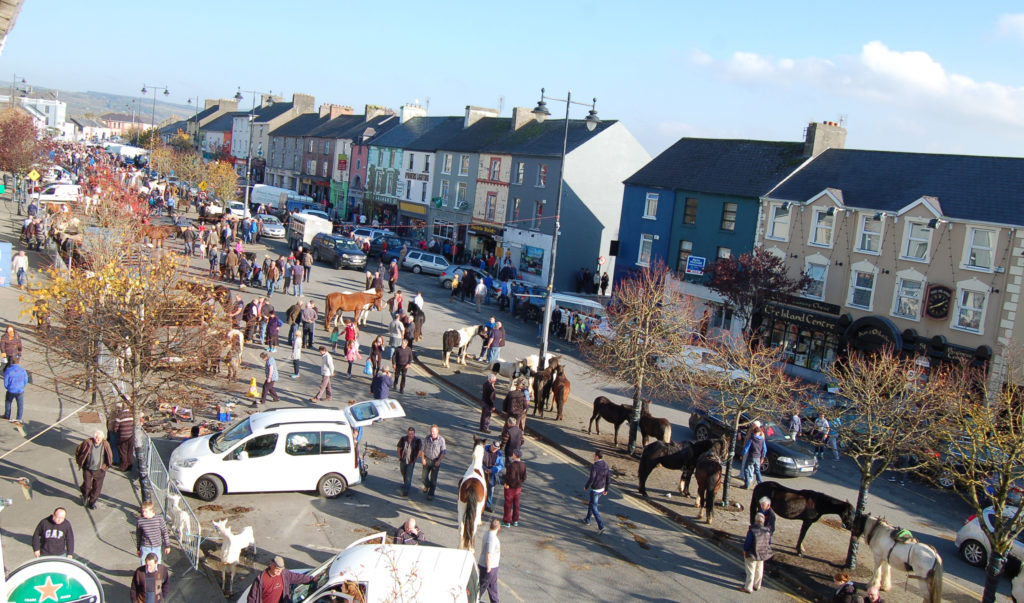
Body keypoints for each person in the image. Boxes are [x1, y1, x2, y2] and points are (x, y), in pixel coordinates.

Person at [246, 555, 314, 603]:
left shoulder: (284, 574)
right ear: (271, 565)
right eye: (277, 568)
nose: (279, 571)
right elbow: (252, 598)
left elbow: (297, 577)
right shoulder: (260, 579)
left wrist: (312, 579)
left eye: (281, 569)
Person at [75, 430, 114, 509]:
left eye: (99, 438)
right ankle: (85, 496)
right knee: (87, 485)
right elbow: (78, 451)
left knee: (97, 487)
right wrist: (80, 461)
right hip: (88, 468)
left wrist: (105, 466)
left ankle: (92, 502)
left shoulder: (105, 444)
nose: (97, 439)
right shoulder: (87, 442)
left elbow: (109, 456)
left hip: (99, 470)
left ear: (102, 438)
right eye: (96, 437)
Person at [741, 513, 773, 593]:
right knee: (759, 570)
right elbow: (769, 542)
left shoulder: (752, 530)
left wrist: (745, 550)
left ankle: (748, 587)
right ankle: (757, 585)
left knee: (750, 571)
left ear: (755, 521)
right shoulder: (767, 531)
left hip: (752, 553)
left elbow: (747, 543)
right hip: (762, 553)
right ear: (763, 521)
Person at [582, 450, 610, 534]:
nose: (593, 457)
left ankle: (601, 526)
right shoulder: (606, 465)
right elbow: (608, 478)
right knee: (592, 504)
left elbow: (592, 478)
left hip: (595, 489)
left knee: (594, 507)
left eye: (594, 455)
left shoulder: (595, 466)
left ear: (597, 456)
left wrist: (586, 486)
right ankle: (587, 520)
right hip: (602, 489)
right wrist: (606, 489)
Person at [478, 519, 501, 603]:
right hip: (489, 567)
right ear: (499, 528)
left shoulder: (488, 533)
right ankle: (473, 599)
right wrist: (488, 568)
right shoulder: (492, 539)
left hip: (493, 566)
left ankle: (495, 601)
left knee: (492, 586)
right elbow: (488, 554)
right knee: (482, 586)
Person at [421, 424, 446, 501]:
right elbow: (422, 449)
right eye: (431, 431)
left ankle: (431, 494)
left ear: (437, 432)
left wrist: (439, 461)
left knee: (433, 479)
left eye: (434, 432)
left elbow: (443, 452)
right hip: (427, 459)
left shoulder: (441, 440)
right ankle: (427, 485)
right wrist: (423, 459)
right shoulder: (427, 438)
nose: (432, 433)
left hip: (435, 461)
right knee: (423, 477)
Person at [502, 449, 526, 527]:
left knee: (508, 505)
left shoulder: (511, 465)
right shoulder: (523, 465)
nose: (512, 455)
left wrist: (507, 484)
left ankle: (507, 521)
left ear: (515, 455)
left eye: (513, 454)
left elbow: (510, 477)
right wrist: (519, 483)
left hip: (510, 488)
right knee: (516, 504)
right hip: (518, 488)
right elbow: (524, 477)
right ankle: (515, 520)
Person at [396, 426, 421, 497]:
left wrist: (415, 459)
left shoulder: (417, 440)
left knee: (408, 476)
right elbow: (398, 447)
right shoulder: (403, 439)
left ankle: (406, 490)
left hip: (411, 460)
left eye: (412, 434)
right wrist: (399, 456)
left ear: (414, 434)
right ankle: (406, 484)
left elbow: (419, 451)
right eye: (409, 433)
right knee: (403, 472)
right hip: (403, 459)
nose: (410, 435)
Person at [3, 357, 28, 423]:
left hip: (11, 390)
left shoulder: (8, 370)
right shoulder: (23, 370)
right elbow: (26, 380)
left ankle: (7, 415)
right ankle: (19, 418)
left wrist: (8, 387)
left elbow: (5, 381)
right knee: (20, 405)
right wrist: (22, 386)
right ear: (19, 362)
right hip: (20, 390)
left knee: (8, 403)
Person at [482, 441, 504, 512]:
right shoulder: (484, 450)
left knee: (491, 490)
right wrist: (484, 468)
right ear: (491, 445)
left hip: (492, 474)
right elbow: (478, 460)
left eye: (496, 449)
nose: (494, 450)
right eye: (493, 448)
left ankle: (488, 505)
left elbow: (501, 466)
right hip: (482, 471)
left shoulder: (499, 454)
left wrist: (492, 470)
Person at [742, 423, 766, 489]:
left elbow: (746, 448)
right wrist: (762, 457)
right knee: (757, 471)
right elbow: (765, 449)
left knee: (746, 469)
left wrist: (742, 455)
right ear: (759, 432)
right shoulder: (762, 440)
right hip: (758, 457)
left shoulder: (751, 439)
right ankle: (760, 483)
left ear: (753, 432)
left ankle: (747, 484)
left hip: (751, 456)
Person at [114, 403, 136, 471]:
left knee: (123, 452)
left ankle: (124, 466)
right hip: (131, 436)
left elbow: (115, 428)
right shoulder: (132, 415)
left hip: (122, 436)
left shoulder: (119, 416)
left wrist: (116, 431)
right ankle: (130, 465)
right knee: (130, 451)